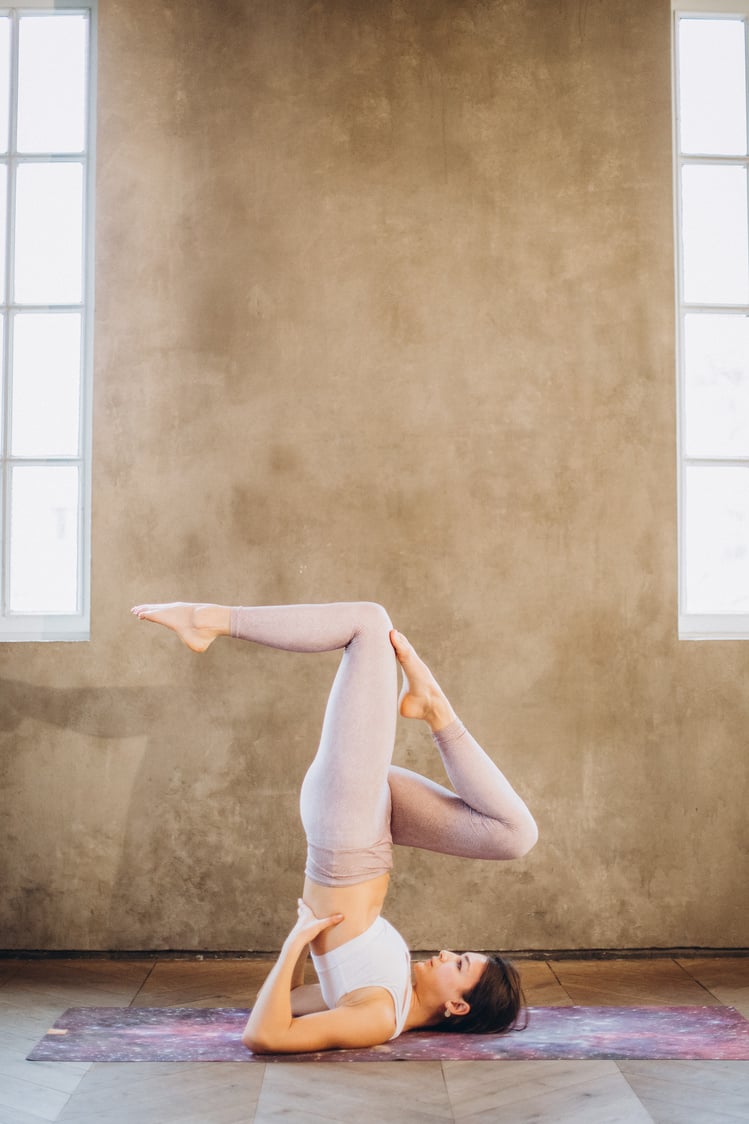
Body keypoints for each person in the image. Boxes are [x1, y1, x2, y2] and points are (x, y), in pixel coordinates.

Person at [131, 599, 538, 1054]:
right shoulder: (392, 991)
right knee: (515, 835)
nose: (446, 954)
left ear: (457, 1007)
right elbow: (287, 1002)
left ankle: (209, 620)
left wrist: (296, 941)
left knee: (369, 622)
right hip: (368, 827)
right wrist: (304, 947)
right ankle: (433, 708)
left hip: (346, 830)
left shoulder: (380, 1016)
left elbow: (265, 1033)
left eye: (459, 964)